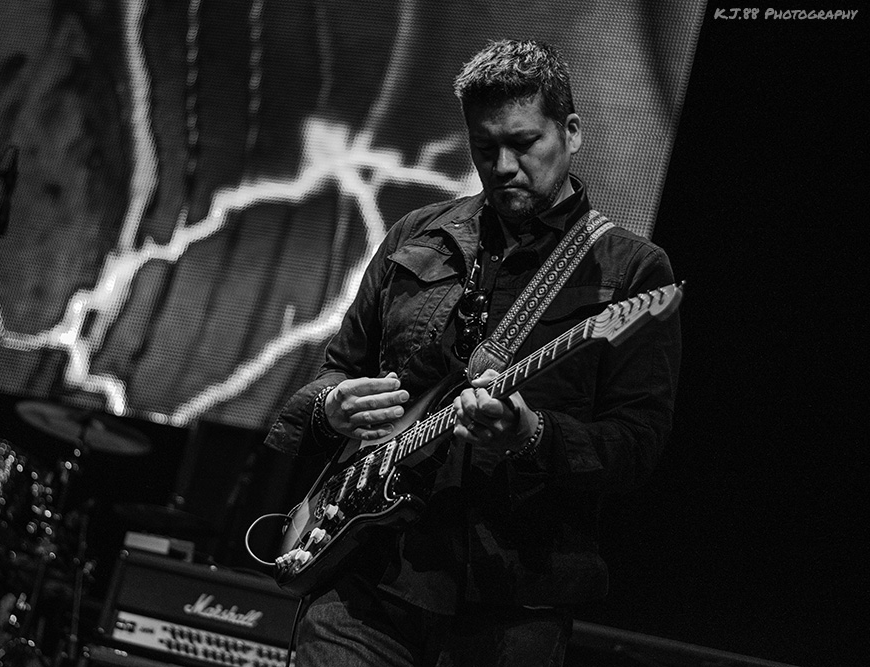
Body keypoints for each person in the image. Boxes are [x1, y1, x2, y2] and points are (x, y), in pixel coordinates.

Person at [264, 39, 681, 666]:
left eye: (523, 143)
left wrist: (533, 435)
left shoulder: (631, 271)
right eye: (485, 148)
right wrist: (331, 408)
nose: (504, 165)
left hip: (510, 606)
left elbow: (637, 444)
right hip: (364, 579)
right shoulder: (417, 234)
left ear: (571, 133)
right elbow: (339, 368)